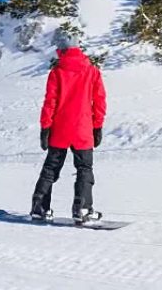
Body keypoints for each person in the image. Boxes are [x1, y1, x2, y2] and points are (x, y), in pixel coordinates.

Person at [30, 32, 106, 223]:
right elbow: (99, 102)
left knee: (50, 169)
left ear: (62, 50)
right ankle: (82, 209)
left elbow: (50, 103)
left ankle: (39, 207)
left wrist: (45, 128)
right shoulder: (92, 71)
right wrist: (97, 127)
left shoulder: (56, 72)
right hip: (83, 129)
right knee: (84, 168)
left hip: (60, 130)